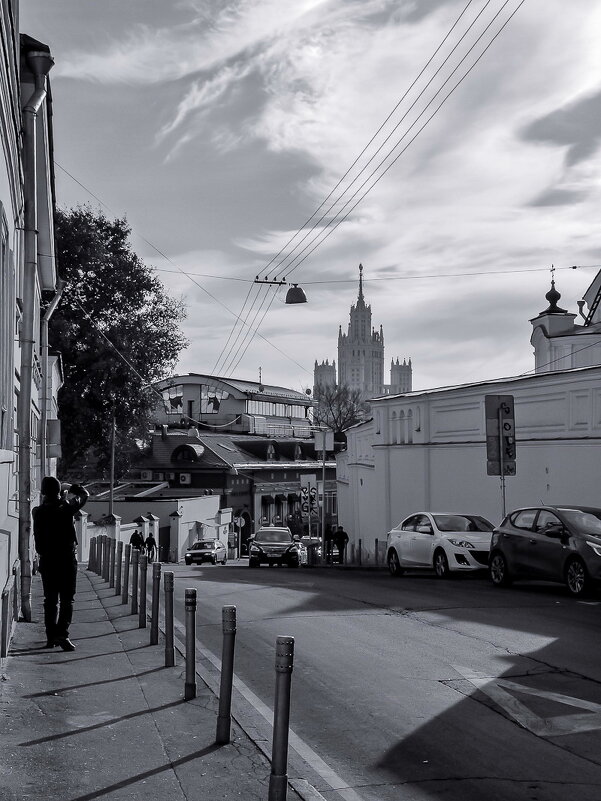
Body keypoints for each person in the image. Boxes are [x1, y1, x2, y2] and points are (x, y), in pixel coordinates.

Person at [32, 477, 89, 651]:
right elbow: (84, 494)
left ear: (42, 492)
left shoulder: (37, 511)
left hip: (47, 560)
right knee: (67, 599)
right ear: (59, 491)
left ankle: (50, 637)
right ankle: (62, 634)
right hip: (66, 559)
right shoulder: (67, 508)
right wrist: (70, 487)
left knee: (50, 600)